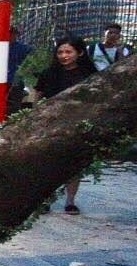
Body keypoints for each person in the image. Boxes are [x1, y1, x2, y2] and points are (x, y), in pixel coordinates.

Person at [32, 37, 94, 214]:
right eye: (60, 52)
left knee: (73, 166)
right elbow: (38, 97)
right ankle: (45, 199)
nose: (64, 56)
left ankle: (70, 201)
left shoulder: (88, 75)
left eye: (68, 52)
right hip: (50, 125)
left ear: (79, 53)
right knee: (47, 166)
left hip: (77, 125)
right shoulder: (48, 74)